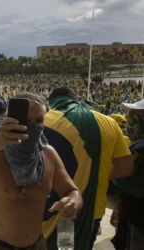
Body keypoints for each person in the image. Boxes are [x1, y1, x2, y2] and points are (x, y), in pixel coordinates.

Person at [0, 92, 83, 250]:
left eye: (39, 121)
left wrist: (72, 203)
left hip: (37, 245)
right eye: (26, 121)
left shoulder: (48, 154)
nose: (33, 126)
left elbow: (72, 191)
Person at [42, 87, 133, 250]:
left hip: (53, 208)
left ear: (52, 102)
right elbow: (125, 168)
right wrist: (98, 173)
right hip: (93, 208)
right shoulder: (109, 122)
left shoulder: (43, 120)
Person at [112, 99, 144, 250]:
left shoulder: (140, 149)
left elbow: (128, 181)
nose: (129, 119)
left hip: (137, 218)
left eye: (135, 116)